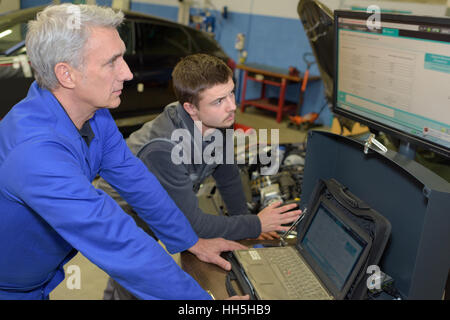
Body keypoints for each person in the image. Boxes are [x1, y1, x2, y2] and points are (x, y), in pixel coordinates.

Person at [0, 4, 248, 300]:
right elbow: (117, 239)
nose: (128, 73)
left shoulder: (94, 117)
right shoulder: (35, 153)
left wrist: (189, 240)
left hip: (34, 281)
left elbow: (138, 182)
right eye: (112, 62)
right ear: (67, 74)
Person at [97, 53, 302, 299]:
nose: (232, 106)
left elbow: (228, 175)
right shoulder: (165, 147)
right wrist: (257, 223)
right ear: (191, 108)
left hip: (155, 206)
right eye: (218, 101)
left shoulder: (219, 122)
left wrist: (246, 224)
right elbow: (193, 224)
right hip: (122, 214)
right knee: (139, 282)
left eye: (231, 93)